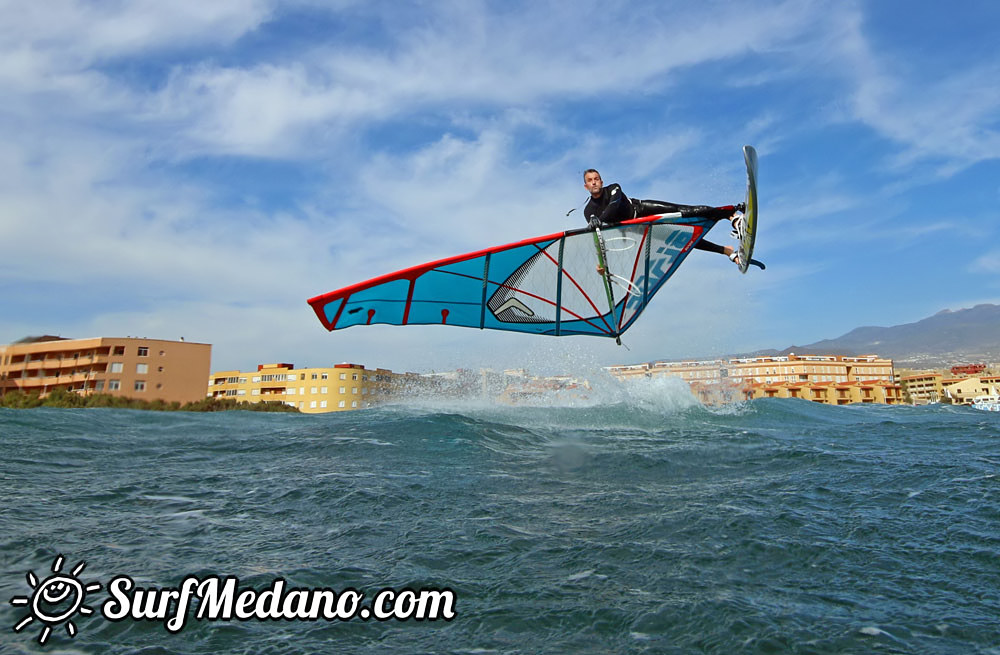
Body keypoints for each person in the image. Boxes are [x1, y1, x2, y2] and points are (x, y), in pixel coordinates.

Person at [582, 168, 745, 265]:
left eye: (597, 179)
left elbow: (614, 205)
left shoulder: (613, 188)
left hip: (642, 210)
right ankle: (727, 251)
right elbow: (599, 239)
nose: (594, 182)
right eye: (590, 180)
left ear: (602, 182)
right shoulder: (588, 212)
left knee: (686, 211)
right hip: (640, 228)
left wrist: (600, 220)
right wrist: (601, 263)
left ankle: (732, 215)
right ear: (586, 186)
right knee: (684, 239)